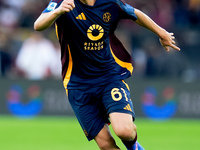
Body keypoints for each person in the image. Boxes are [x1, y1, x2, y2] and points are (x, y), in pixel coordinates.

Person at [34, 0, 180, 149]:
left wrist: (161, 32)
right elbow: (38, 25)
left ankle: (133, 145)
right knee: (105, 144)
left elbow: (135, 13)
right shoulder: (61, 2)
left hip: (108, 77)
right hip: (78, 85)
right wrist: (57, 12)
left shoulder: (110, 2)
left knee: (124, 131)